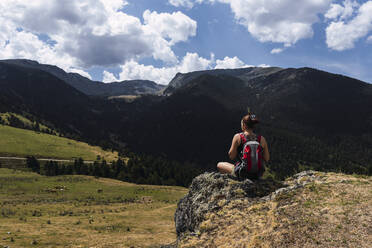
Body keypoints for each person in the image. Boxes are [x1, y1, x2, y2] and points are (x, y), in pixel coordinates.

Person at [217, 112, 270, 179]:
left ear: (244, 125)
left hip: (242, 172)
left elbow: (231, 156)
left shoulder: (238, 137)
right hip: (258, 174)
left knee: (219, 164)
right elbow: (267, 158)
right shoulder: (262, 139)